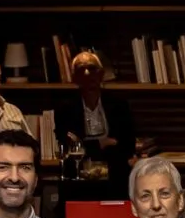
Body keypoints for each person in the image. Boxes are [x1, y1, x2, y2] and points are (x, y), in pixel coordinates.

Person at [50, 48, 136, 190]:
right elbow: (68, 147)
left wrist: (87, 146)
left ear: (101, 74)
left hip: (115, 176)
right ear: (74, 78)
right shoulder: (65, 109)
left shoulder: (119, 106)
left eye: (92, 68)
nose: (87, 73)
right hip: (78, 177)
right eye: (81, 70)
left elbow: (127, 146)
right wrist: (101, 143)